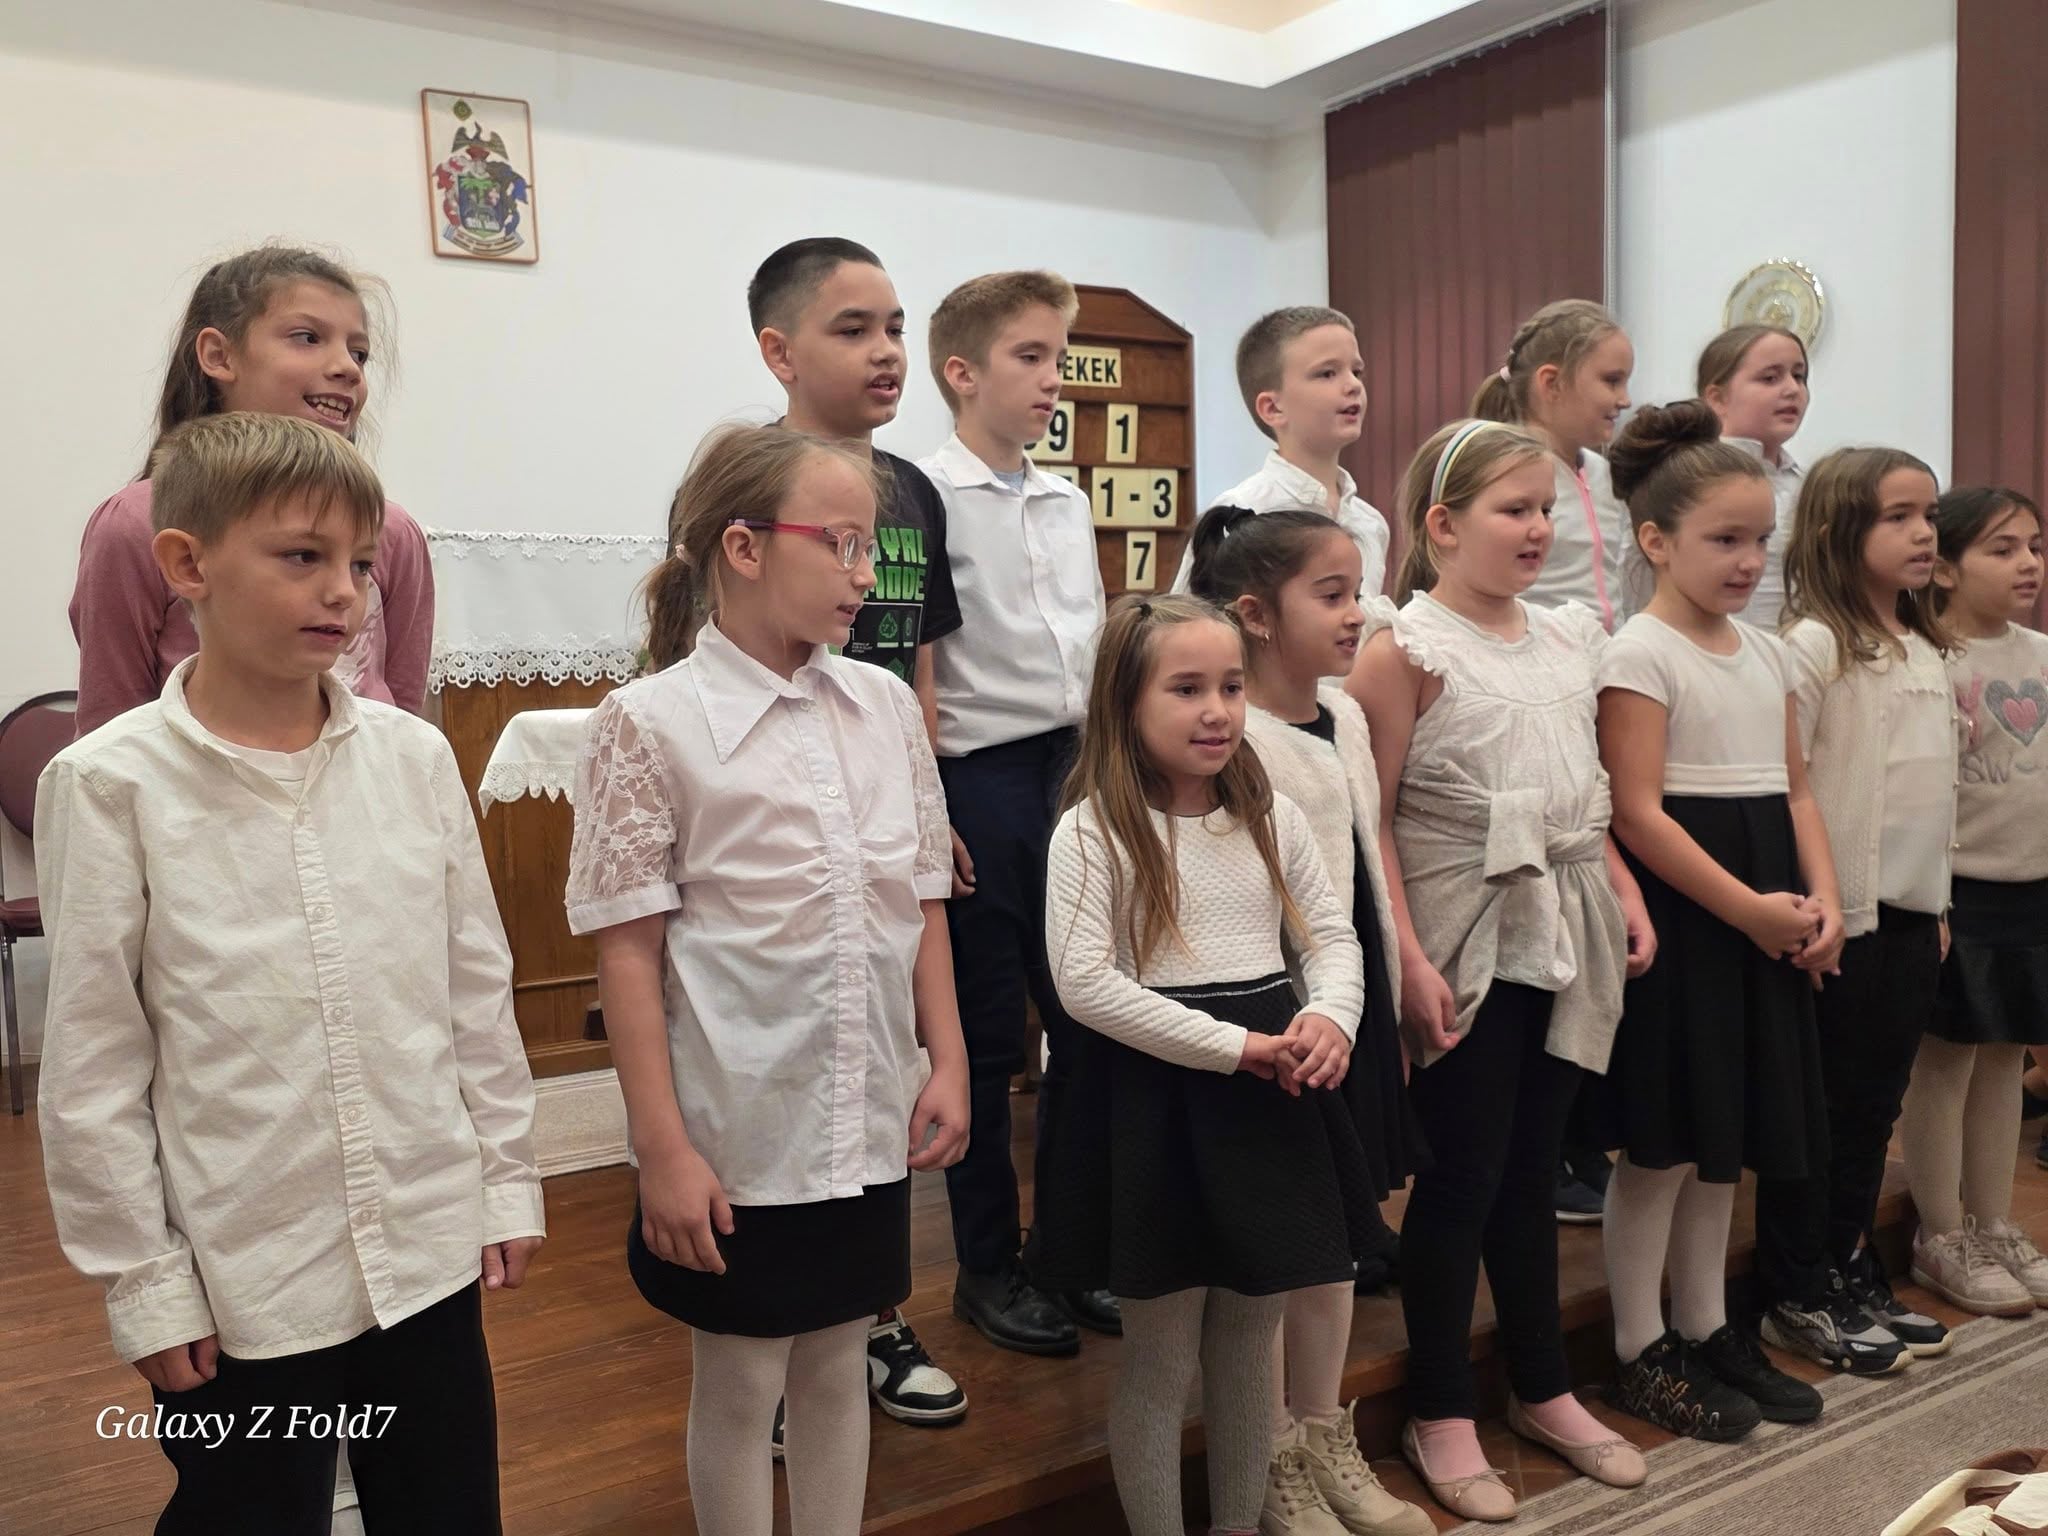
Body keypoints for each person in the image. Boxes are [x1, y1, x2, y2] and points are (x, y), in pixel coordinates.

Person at [37, 412, 542, 1535]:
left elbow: (473, 988)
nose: (343, 593)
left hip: (422, 1244)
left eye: (360, 565)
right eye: (302, 557)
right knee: (248, 1513)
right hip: (245, 1272)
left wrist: (502, 1177)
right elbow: (93, 1064)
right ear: (187, 565)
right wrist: (144, 1279)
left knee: (447, 1510)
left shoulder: (414, 758)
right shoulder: (110, 785)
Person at [565, 424, 970, 1536]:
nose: (864, 573)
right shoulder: (651, 723)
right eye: (839, 543)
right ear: (743, 549)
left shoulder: (884, 707)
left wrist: (945, 1058)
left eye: (872, 547)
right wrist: (662, 1147)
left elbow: (921, 897)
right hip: (740, 1123)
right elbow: (628, 951)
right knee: (745, 1379)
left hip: (864, 1109)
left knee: (838, 1358)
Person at [1350, 418, 1652, 1523]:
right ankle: (1438, 1407)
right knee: (1463, 1176)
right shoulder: (1403, 649)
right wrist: (1407, 958)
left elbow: (1583, 795)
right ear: (1442, 525)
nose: (1535, 529)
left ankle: (1542, 1384)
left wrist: (1619, 886)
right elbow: (1371, 820)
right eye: (1511, 509)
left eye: (1544, 510)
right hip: (1461, 937)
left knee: (1534, 1168)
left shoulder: (1569, 637)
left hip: (1560, 927)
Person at [1031, 592, 1377, 1536]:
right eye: (1186, 689)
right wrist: (1236, 1048)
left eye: (1230, 686)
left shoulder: (1269, 817)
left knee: (1251, 1336)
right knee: (1161, 1354)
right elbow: (1084, 985)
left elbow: (1331, 936)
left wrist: (1331, 1017)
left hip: (1266, 1097)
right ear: (1125, 703)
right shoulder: (1092, 831)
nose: (1217, 710)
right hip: (1153, 1101)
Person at [747, 234, 968, 1425]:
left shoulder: (913, 493)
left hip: (885, 818)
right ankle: (777, 1334)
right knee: (791, 1079)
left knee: (888, 1072)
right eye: (853, 329)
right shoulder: (750, 484)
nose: (887, 351)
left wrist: (929, 811)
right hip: (785, 833)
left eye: (894, 327)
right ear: (779, 351)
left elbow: (916, 663)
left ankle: (874, 1318)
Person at [1592, 400, 1840, 1439]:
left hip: (1765, 909)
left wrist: (1824, 902)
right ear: (1655, 541)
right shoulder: (1637, 655)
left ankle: (1705, 1326)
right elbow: (1637, 812)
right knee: (1661, 1144)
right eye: (1724, 540)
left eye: (1758, 541)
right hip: (1694, 916)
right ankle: (1635, 1346)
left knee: (1722, 1138)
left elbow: (1795, 789)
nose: (1747, 561)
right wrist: (1746, 911)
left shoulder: (1768, 653)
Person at [1188, 505, 1432, 1536]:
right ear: (1255, 614)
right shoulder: (1233, 736)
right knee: (1281, 1252)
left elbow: (1370, 851)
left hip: (1349, 998)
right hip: (1277, 1018)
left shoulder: (1346, 715)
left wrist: (1402, 971)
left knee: (1339, 1239)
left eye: (1358, 591)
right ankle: (1272, 1452)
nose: (1356, 612)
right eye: (1330, 595)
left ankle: (1326, 1433)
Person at [919, 270, 1115, 1354]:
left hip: (1074, 767)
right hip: (979, 776)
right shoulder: (926, 495)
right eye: (1029, 357)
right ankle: (987, 1265)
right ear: (963, 372)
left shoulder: (1065, 500)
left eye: (1058, 359)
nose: (1052, 379)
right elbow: (922, 665)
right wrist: (927, 804)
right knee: (991, 1034)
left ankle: (1071, 1249)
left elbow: (1084, 642)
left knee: (1087, 1013)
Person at [1756, 446, 1961, 1373]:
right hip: (1843, 922)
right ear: (1841, 531)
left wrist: (1938, 900)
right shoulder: (1814, 645)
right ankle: (1795, 1287)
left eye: (1930, 516)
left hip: (1912, 917)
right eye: (1898, 517)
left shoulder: (1923, 645)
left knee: (1876, 1108)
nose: (1923, 534)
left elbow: (1930, 793)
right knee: (1824, 1112)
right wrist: (1816, 905)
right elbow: (1789, 786)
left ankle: (1846, 1263)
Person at [69, 244, 433, 737]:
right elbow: (111, 724)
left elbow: (403, 719)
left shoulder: (391, 530)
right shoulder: (137, 522)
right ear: (219, 355)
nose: (348, 367)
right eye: (308, 338)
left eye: (359, 353)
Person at [1899, 486, 2048, 1315]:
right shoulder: (1926, 661)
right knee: (1945, 1062)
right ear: (1947, 568)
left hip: (2034, 888)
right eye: (2003, 548)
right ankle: (1940, 1232)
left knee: (2006, 1058)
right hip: (1957, 894)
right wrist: (1934, 899)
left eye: (2034, 546)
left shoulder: (2041, 655)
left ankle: (1994, 1223)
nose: (2028, 563)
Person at [1170, 307, 1390, 597]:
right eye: (1327, 373)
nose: (1353, 385)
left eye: (1357, 371)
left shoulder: (1372, 524)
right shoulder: (1241, 514)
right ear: (1273, 408)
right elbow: (1188, 621)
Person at [1697, 324, 1810, 631]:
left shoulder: (1806, 484)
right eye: (1770, 378)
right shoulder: (1694, 479)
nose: (1792, 389)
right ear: (1718, 398)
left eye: (1799, 376)